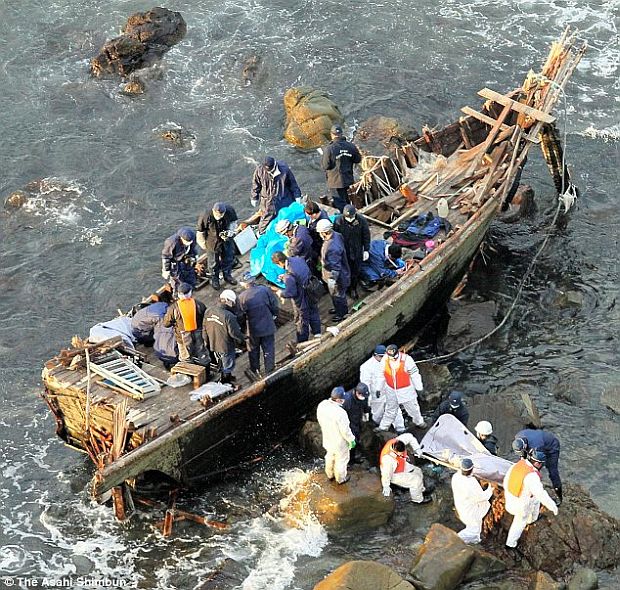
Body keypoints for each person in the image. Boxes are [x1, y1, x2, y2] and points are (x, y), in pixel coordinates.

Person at [503, 448, 558, 549]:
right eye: (542, 464)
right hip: (520, 506)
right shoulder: (532, 476)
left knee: (535, 500)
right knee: (519, 523)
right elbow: (541, 494)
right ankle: (510, 544)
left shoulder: (519, 464)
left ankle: (532, 519)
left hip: (511, 498)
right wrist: (553, 506)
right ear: (537, 463)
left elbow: (506, 480)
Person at [271, 251, 321, 342]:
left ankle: (302, 342)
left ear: (280, 263)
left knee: (301, 321)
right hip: (311, 290)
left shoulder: (288, 276)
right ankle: (318, 333)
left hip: (301, 299)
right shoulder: (298, 259)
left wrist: (280, 293)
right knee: (314, 312)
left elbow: (291, 292)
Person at [237, 272, 279, 378]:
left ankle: (255, 372)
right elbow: (274, 305)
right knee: (269, 348)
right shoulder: (264, 290)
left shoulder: (241, 298)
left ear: (243, 284)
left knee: (253, 350)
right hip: (267, 325)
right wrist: (274, 315)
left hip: (252, 330)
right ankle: (270, 371)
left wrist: (243, 330)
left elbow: (240, 317)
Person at [377, 344, 426, 431]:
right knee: (390, 410)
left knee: (413, 409)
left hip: (406, 391)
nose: (391, 359)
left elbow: (415, 375)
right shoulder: (385, 360)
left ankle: (419, 422)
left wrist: (419, 388)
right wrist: (378, 388)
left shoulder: (407, 360)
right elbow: (381, 375)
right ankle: (385, 427)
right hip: (391, 389)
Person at [203, 289, 245, 383]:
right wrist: (243, 339)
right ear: (227, 300)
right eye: (232, 302)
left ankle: (225, 376)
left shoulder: (209, 310)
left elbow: (204, 328)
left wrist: (206, 341)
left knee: (220, 361)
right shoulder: (229, 316)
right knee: (228, 364)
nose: (233, 305)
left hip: (213, 343)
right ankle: (225, 381)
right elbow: (234, 333)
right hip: (225, 345)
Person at [359, 344, 405, 431]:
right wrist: (368, 399)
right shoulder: (366, 367)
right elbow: (366, 384)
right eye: (381, 356)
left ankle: (400, 429)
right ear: (375, 355)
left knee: (396, 411)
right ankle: (382, 428)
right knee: (377, 415)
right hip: (376, 396)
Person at [251, 156, 302, 234]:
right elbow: (256, 184)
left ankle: (291, 233)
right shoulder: (259, 170)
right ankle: (262, 234)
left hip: (284, 200)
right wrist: (254, 197)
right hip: (267, 202)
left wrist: (297, 196)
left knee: (288, 218)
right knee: (265, 223)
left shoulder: (284, 169)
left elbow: (293, 184)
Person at [316, 386, 356, 484]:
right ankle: (340, 479)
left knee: (329, 455)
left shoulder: (322, 405)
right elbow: (345, 430)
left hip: (327, 437)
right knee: (341, 460)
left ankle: (329, 474)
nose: (344, 400)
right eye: (343, 398)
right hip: (339, 442)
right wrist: (351, 440)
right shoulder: (341, 413)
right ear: (338, 400)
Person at [162, 283, 208, 365]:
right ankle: (206, 371)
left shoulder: (174, 308)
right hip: (198, 334)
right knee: (202, 354)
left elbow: (166, 324)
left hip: (182, 337)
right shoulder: (198, 304)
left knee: (185, 357)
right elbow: (205, 317)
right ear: (190, 292)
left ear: (179, 294)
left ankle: (190, 373)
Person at [196, 202, 239, 290]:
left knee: (228, 257)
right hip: (212, 241)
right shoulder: (206, 216)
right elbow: (200, 232)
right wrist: (203, 244)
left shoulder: (229, 211)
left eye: (221, 214)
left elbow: (234, 222)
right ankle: (214, 279)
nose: (219, 216)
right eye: (217, 214)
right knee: (212, 262)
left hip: (226, 239)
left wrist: (230, 232)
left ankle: (227, 275)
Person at [320, 124, 362, 212]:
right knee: (347, 199)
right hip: (348, 179)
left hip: (335, 182)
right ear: (342, 134)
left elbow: (325, 166)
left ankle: (347, 217)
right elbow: (357, 159)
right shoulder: (351, 146)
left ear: (332, 135)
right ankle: (350, 212)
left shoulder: (329, 149)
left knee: (339, 203)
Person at [451, 458, 493, 544]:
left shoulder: (456, 476)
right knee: (474, 530)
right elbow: (483, 497)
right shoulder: (471, 483)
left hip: (461, 506)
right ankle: (457, 541)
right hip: (470, 513)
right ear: (471, 470)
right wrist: (491, 488)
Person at [514, 427, 562, 503]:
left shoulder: (537, 446)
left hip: (552, 447)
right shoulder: (518, 436)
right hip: (540, 440)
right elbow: (523, 458)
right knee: (528, 466)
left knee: (552, 471)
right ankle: (530, 488)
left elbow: (538, 463)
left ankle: (559, 497)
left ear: (525, 446)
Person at [380, 433, 431, 503]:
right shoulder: (388, 459)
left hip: (401, 464)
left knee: (418, 471)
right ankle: (417, 500)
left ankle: (420, 489)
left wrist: (417, 449)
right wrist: (386, 486)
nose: (402, 454)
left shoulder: (397, 441)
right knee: (416, 481)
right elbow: (386, 474)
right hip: (393, 473)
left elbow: (410, 437)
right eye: (400, 453)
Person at [333, 204, 370, 299]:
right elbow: (335, 237)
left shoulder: (361, 221)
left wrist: (366, 249)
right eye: (347, 217)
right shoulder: (338, 221)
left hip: (357, 250)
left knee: (355, 271)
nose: (350, 219)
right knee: (345, 271)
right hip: (344, 251)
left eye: (351, 217)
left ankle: (353, 288)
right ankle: (346, 288)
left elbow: (366, 235)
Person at [317, 218, 350, 322]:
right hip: (341, 272)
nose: (319, 234)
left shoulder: (332, 248)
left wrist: (332, 281)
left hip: (336, 277)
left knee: (338, 295)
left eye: (320, 233)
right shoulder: (337, 235)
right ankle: (338, 309)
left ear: (325, 232)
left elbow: (335, 268)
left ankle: (342, 314)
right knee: (336, 296)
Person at [161, 227, 198, 291]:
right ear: (181, 238)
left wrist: (195, 256)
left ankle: (191, 289)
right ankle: (177, 294)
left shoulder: (193, 238)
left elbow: (193, 248)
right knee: (177, 279)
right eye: (186, 241)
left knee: (190, 274)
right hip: (175, 261)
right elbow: (166, 257)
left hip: (187, 258)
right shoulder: (171, 242)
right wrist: (166, 270)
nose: (188, 243)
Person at [342, 383, 371, 463]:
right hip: (348, 421)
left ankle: (353, 457)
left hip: (357, 419)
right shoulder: (347, 399)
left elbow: (365, 405)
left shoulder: (364, 396)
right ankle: (349, 461)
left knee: (356, 437)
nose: (364, 398)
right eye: (362, 396)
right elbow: (341, 414)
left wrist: (366, 412)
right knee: (351, 440)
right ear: (357, 393)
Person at [303, 200, 330, 268]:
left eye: (308, 214)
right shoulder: (319, 213)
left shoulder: (322, 223)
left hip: (319, 244)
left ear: (314, 214)